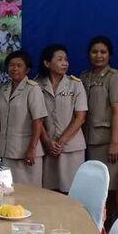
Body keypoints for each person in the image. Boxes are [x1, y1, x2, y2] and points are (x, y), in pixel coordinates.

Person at [80, 36, 118, 222]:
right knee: (99, 188)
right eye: (94, 52)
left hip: (110, 140)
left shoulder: (114, 77)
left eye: (103, 52)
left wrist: (114, 143)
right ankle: (102, 226)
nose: (98, 56)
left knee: (116, 186)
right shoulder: (84, 77)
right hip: (90, 140)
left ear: (110, 55)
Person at [37, 44, 87, 193]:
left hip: (71, 146)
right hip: (48, 146)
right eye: (59, 59)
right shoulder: (37, 85)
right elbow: (37, 119)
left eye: (66, 59)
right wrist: (48, 142)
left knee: (72, 191)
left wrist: (61, 142)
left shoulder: (75, 84)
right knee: (50, 192)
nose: (65, 63)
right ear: (47, 63)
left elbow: (80, 117)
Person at [0, 51, 47, 186]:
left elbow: (38, 120)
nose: (14, 68)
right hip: (7, 151)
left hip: (26, 152)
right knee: (8, 190)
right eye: (11, 65)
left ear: (27, 70)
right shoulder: (3, 89)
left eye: (19, 65)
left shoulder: (33, 89)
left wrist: (32, 148)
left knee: (29, 193)